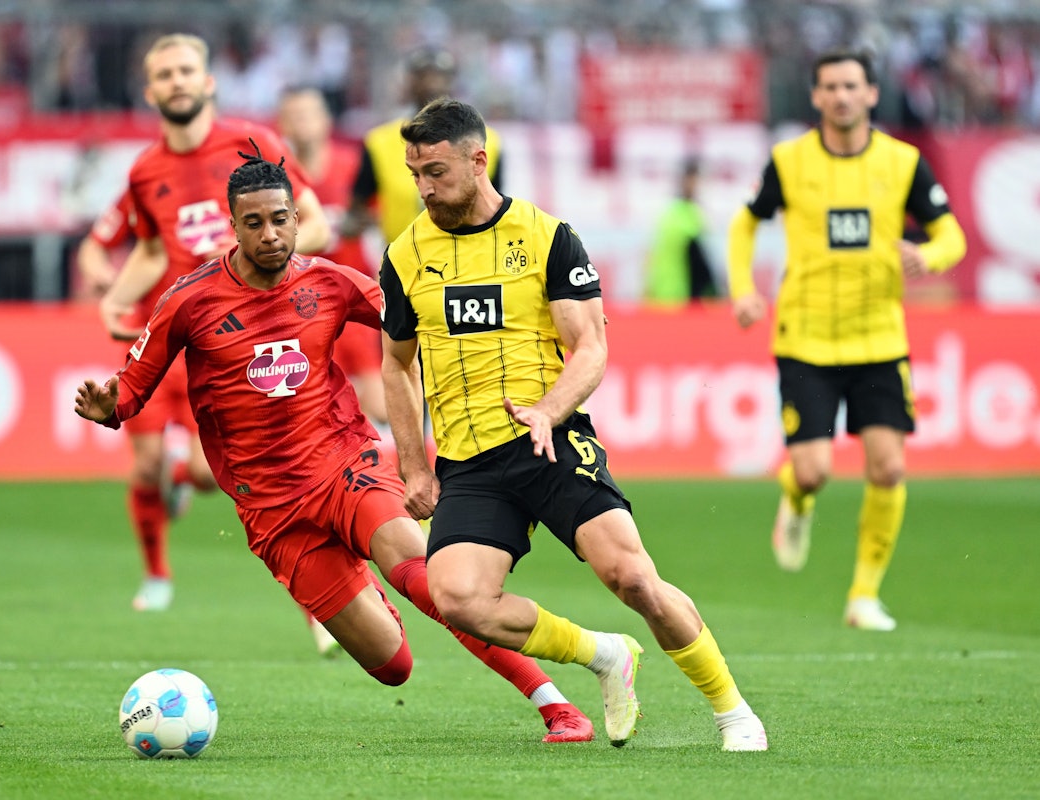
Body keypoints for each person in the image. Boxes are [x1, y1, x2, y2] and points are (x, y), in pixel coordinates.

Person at [74, 146, 594, 744]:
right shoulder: (189, 300)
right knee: (393, 666)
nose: (269, 234)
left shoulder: (330, 281)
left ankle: (556, 705)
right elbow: (132, 389)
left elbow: (419, 324)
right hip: (272, 510)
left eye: (280, 219)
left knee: (431, 583)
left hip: (346, 464)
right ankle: (359, 578)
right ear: (233, 226)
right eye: (253, 223)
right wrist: (109, 408)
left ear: (297, 218)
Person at [379, 98, 767, 751]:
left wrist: (549, 411)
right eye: (415, 173)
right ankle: (604, 654)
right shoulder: (405, 254)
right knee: (458, 599)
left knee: (633, 578)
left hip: (551, 442)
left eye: (436, 172)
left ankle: (733, 712)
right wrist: (414, 466)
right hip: (469, 463)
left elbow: (590, 346)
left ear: (478, 161)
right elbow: (395, 364)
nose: (424, 188)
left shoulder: (545, 237)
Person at [726, 49, 967, 631]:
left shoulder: (903, 163)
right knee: (813, 471)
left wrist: (929, 256)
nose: (841, 96)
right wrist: (743, 289)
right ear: (815, 96)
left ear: (871, 94)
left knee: (888, 468)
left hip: (879, 340)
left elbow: (951, 235)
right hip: (806, 339)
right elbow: (744, 222)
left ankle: (864, 596)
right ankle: (797, 499)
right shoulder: (790, 162)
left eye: (851, 86)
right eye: (830, 87)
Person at [96, 33, 331, 618]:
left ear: (207, 81)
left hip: (235, 340)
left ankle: (185, 479)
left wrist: (255, 259)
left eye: (185, 71)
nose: (176, 81)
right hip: (167, 334)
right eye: (164, 74)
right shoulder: (145, 171)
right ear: (150, 92)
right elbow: (151, 250)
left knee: (208, 474)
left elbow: (316, 225)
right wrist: (115, 299)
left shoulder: (253, 145)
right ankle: (156, 574)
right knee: (144, 464)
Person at [276, 85, 385, 425]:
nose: (302, 123)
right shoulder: (277, 178)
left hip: (353, 302)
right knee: (307, 413)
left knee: (380, 408)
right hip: (301, 307)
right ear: (282, 124)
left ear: (326, 120)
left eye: (308, 114)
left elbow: (383, 221)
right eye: (294, 116)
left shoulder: (353, 168)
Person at [341, 46, 502, 248]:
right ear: (408, 83)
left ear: (452, 82)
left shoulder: (487, 141)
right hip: (401, 257)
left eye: (439, 76)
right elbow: (357, 207)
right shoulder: (380, 142)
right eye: (423, 76)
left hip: (467, 256)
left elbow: (495, 208)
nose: (431, 84)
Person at [644, 157, 718, 305]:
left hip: (662, 293)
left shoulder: (668, 213)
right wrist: (713, 292)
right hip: (679, 294)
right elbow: (699, 262)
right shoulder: (689, 214)